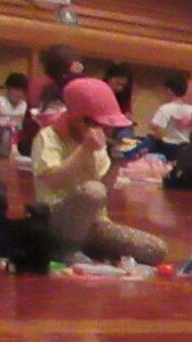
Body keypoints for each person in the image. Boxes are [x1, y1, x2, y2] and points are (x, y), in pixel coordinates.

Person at [30, 77, 167, 265]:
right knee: (93, 190)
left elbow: (104, 192)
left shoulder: (97, 143)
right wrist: (84, 150)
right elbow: (53, 180)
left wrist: (118, 162)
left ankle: (86, 247)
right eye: (94, 123)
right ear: (77, 117)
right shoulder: (48, 137)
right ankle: (65, 248)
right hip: (56, 220)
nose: (101, 129)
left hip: (93, 223)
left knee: (154, 249)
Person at [144, 71, 192, 160]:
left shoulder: (165, 108)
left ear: (169, 91)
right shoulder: (190, 108)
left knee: (149, 137)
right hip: (184, 147)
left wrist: (152, 128)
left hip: (169, 148)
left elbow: (159, 131)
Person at [0, 73, 28, 158]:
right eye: (16, 90)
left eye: (22, 91)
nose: (19, 94)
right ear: (8, 89)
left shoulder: (24, 105)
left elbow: (21, 125)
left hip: (16, 139)